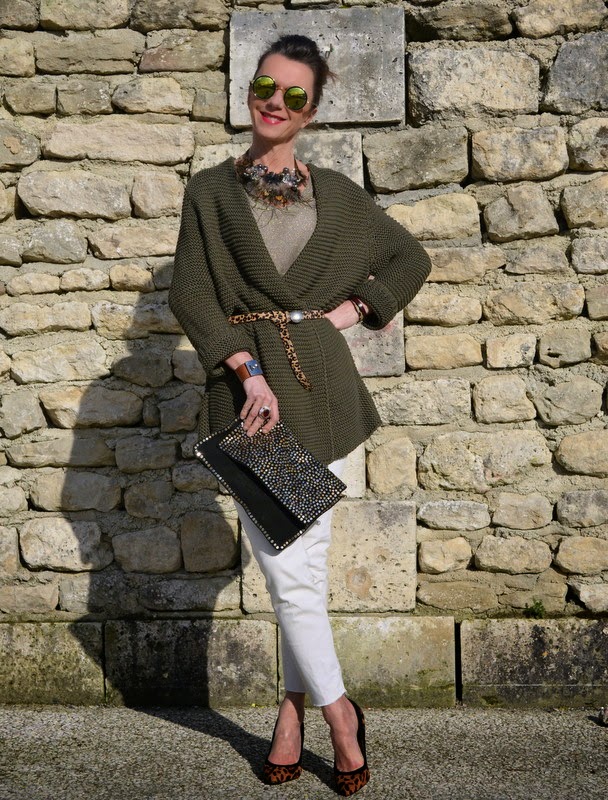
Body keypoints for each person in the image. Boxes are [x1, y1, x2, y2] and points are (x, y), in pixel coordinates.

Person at [169, 33, 431, 797]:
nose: (273, 104)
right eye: (264, 87)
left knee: (303, 569)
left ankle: (291, 713)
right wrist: (247, 370)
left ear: (310, 111)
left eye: (293, 96)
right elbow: (191, 293)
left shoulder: (339, 196)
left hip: (325, 392)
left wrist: (349, 313)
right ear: (249, 90)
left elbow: (409, 259)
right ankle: (341, 714)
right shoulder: (210, 193)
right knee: (290, 569)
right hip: (251, 397)